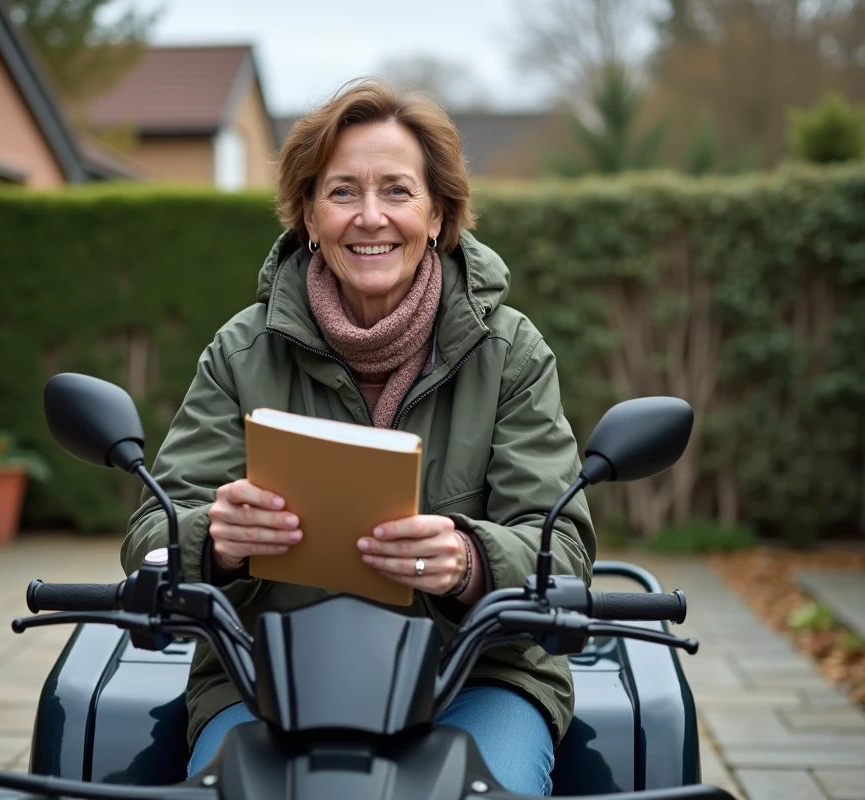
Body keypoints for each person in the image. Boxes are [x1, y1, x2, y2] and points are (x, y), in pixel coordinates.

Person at [121, 78, 596, 797]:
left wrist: (468, 559)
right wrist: (215, 541)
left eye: (397, 191)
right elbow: (149, 539)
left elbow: (562, 547)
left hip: (474, 675)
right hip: (264, 679)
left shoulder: (513, 352)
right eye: (343, 192)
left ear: (438, 214)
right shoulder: (239, 352)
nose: (370, 217)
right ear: (308, 215)